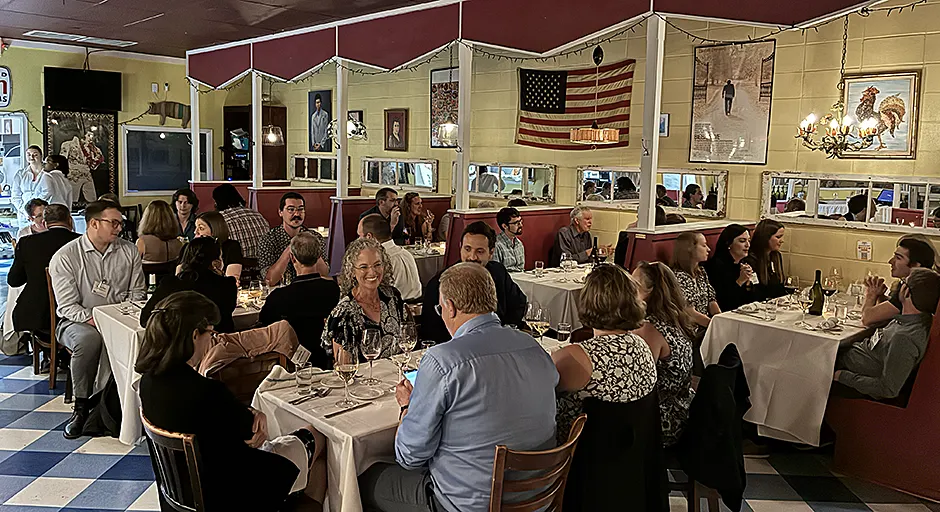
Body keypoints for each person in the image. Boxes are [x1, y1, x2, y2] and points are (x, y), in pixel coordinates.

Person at [359, 262, 558, 512]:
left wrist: (407, 407)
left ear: (450, 307)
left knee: (362, 478)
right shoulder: (534, 348)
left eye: (440, 307)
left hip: (466, 504)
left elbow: (410, 456)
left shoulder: (443, 361)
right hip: (538, 496)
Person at [137, 291, 327, 511]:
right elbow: (250, 433)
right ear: (193, 336)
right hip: (232, 493)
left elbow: (230, 418)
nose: (212, 339)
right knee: (319, 437)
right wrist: (256, 415)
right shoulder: (206, 391)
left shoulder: (148, 382)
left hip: (182, 492)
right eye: (210, 332)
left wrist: (251, 414)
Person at [49, 200, 146, 438]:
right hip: (78, 322)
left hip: (121, 318)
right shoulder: (66, 257)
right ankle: (81, 407)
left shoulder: (128, 250)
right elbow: (68, 307)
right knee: (88, 340)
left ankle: (128, 408)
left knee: (144, 336)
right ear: (93, 223)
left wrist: (118, 319)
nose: (119, 228)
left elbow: (138, 294)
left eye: (121, 224)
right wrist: (101, 321)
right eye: (113, 223)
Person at [553, 264, 657, 444]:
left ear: (587, 300)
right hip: (633, 453)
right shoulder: (643, 345)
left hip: (578, 456)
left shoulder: (574, 357)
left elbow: (540, 395)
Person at [835, 268, 940, 399]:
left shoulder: (904, 338)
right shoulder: (913, 320)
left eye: (903, 283)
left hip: (849, 374)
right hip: (849, 360)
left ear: (906, 291)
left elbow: (888, 389)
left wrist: (842, 376)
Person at [421, 221, 528, 342]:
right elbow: (430, 331)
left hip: (497, 342)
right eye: (467, 249)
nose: (472, 257)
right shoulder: (440, 282)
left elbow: (519, 303)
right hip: (456, 348)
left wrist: (505, 331)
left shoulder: (498, 272)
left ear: (491, 253)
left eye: (480, 251)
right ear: (460, 247)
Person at [631, 261, 697, 446]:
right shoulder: (675, 319)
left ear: (649, 291)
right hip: (685, 406)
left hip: (663, 420)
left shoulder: (649, 329)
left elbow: (639, 382)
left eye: (633, 284)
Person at [260, 233, 339, 370]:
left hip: (289, 362)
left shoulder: (279, 296)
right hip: (325, 358)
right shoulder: (333, 289)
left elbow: (265, 323)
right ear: (319, 256)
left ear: (292, 258)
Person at [322, 237, 410, 360]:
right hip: (363, 378)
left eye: (377, 265)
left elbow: (407, 338)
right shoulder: (344, 313)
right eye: (364, 267)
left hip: (397, 374)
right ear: (352, 271)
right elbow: (344, 367)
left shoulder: (392, 296)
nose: (372, 272)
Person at [9, 205, 79, 355]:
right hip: (74, 310)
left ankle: (48, 355)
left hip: (37, 313)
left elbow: (14, 280)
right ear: (70, 221)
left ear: (45, 223)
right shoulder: (80, 243)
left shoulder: (27, 243)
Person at [141, 237, 238, 333]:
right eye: (221, 257)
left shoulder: (171, 283)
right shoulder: (227, 284)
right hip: (216, 341)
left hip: (180, 343)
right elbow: (225, 316)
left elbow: (145, 318)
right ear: (215, 263)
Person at [862, 236, 936, 327]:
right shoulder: (925, 284)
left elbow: (867, 319)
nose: (891, 261)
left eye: (898, 258)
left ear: (916, 265)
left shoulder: (913, 290)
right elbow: (896, 306)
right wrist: (879, 295)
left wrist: (871, 295)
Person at [260, 192, 323, 286]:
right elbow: (270, 280)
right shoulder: (269, 239)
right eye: (291, 210)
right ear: (280, 212)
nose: (297, 214)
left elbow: (324, 274)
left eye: (300, 209)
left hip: (310, 289)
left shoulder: (315, 237)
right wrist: (293, 246)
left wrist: (310, 247)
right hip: (280, 293)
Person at [358, 214, 421, 300]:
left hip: (395, 308)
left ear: (369, 237)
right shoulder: (407, 254)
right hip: (417, 305)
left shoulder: (379, 260)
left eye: (360, 236)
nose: (358, 240)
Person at [703, 224, 757, 312]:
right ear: (729, 243)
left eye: (749, 241)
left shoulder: (745, 263)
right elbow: (724, 301)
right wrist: (740, 281)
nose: (748, 245)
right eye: (742, 241)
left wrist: (748, 283)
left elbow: (752, 299)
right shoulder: (716, 266)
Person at [672, 232, 721, 327]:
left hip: (706, 326)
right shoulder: (678, 276)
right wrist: (714, 326)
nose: (708, 249)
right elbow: (690, 313)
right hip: (692, 330)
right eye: (704, 245)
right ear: (690, 249)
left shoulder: (701, 271)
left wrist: (721, 320)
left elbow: (711, 301)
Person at [213, 183, 271, 261]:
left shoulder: (221, 219)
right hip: (264, 264)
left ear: (218, 202)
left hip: (235, 267)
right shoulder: (257, 214)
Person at [742, 219, 787, 301]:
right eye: (778, 237)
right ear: (765, 238)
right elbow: (754, 292)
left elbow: (780, 287)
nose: (782, 241)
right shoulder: (751, 259)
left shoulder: (776, 256)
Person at [194, 211, 245, 282]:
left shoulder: (231, 246)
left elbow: (232, 280)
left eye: (201, 228)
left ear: (215, 230)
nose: (195, 232)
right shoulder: (194, 248)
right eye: (196, 227)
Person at [11, 145, 46, 227]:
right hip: (25, 216)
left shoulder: (47, 173)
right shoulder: (20, 174)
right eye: (28, 154)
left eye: (35, 154)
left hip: (43, 214)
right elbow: (15, 196)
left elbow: (49, 193)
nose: (31, 157)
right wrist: (25, 211)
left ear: (41, 156)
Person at [494, 207, 525, 272]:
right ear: (505, 226)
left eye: (520, 221)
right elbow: (496, 273)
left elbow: (521, 268)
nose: (520, 225)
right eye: (516, 223)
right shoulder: (497, 245)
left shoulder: (519, 244)